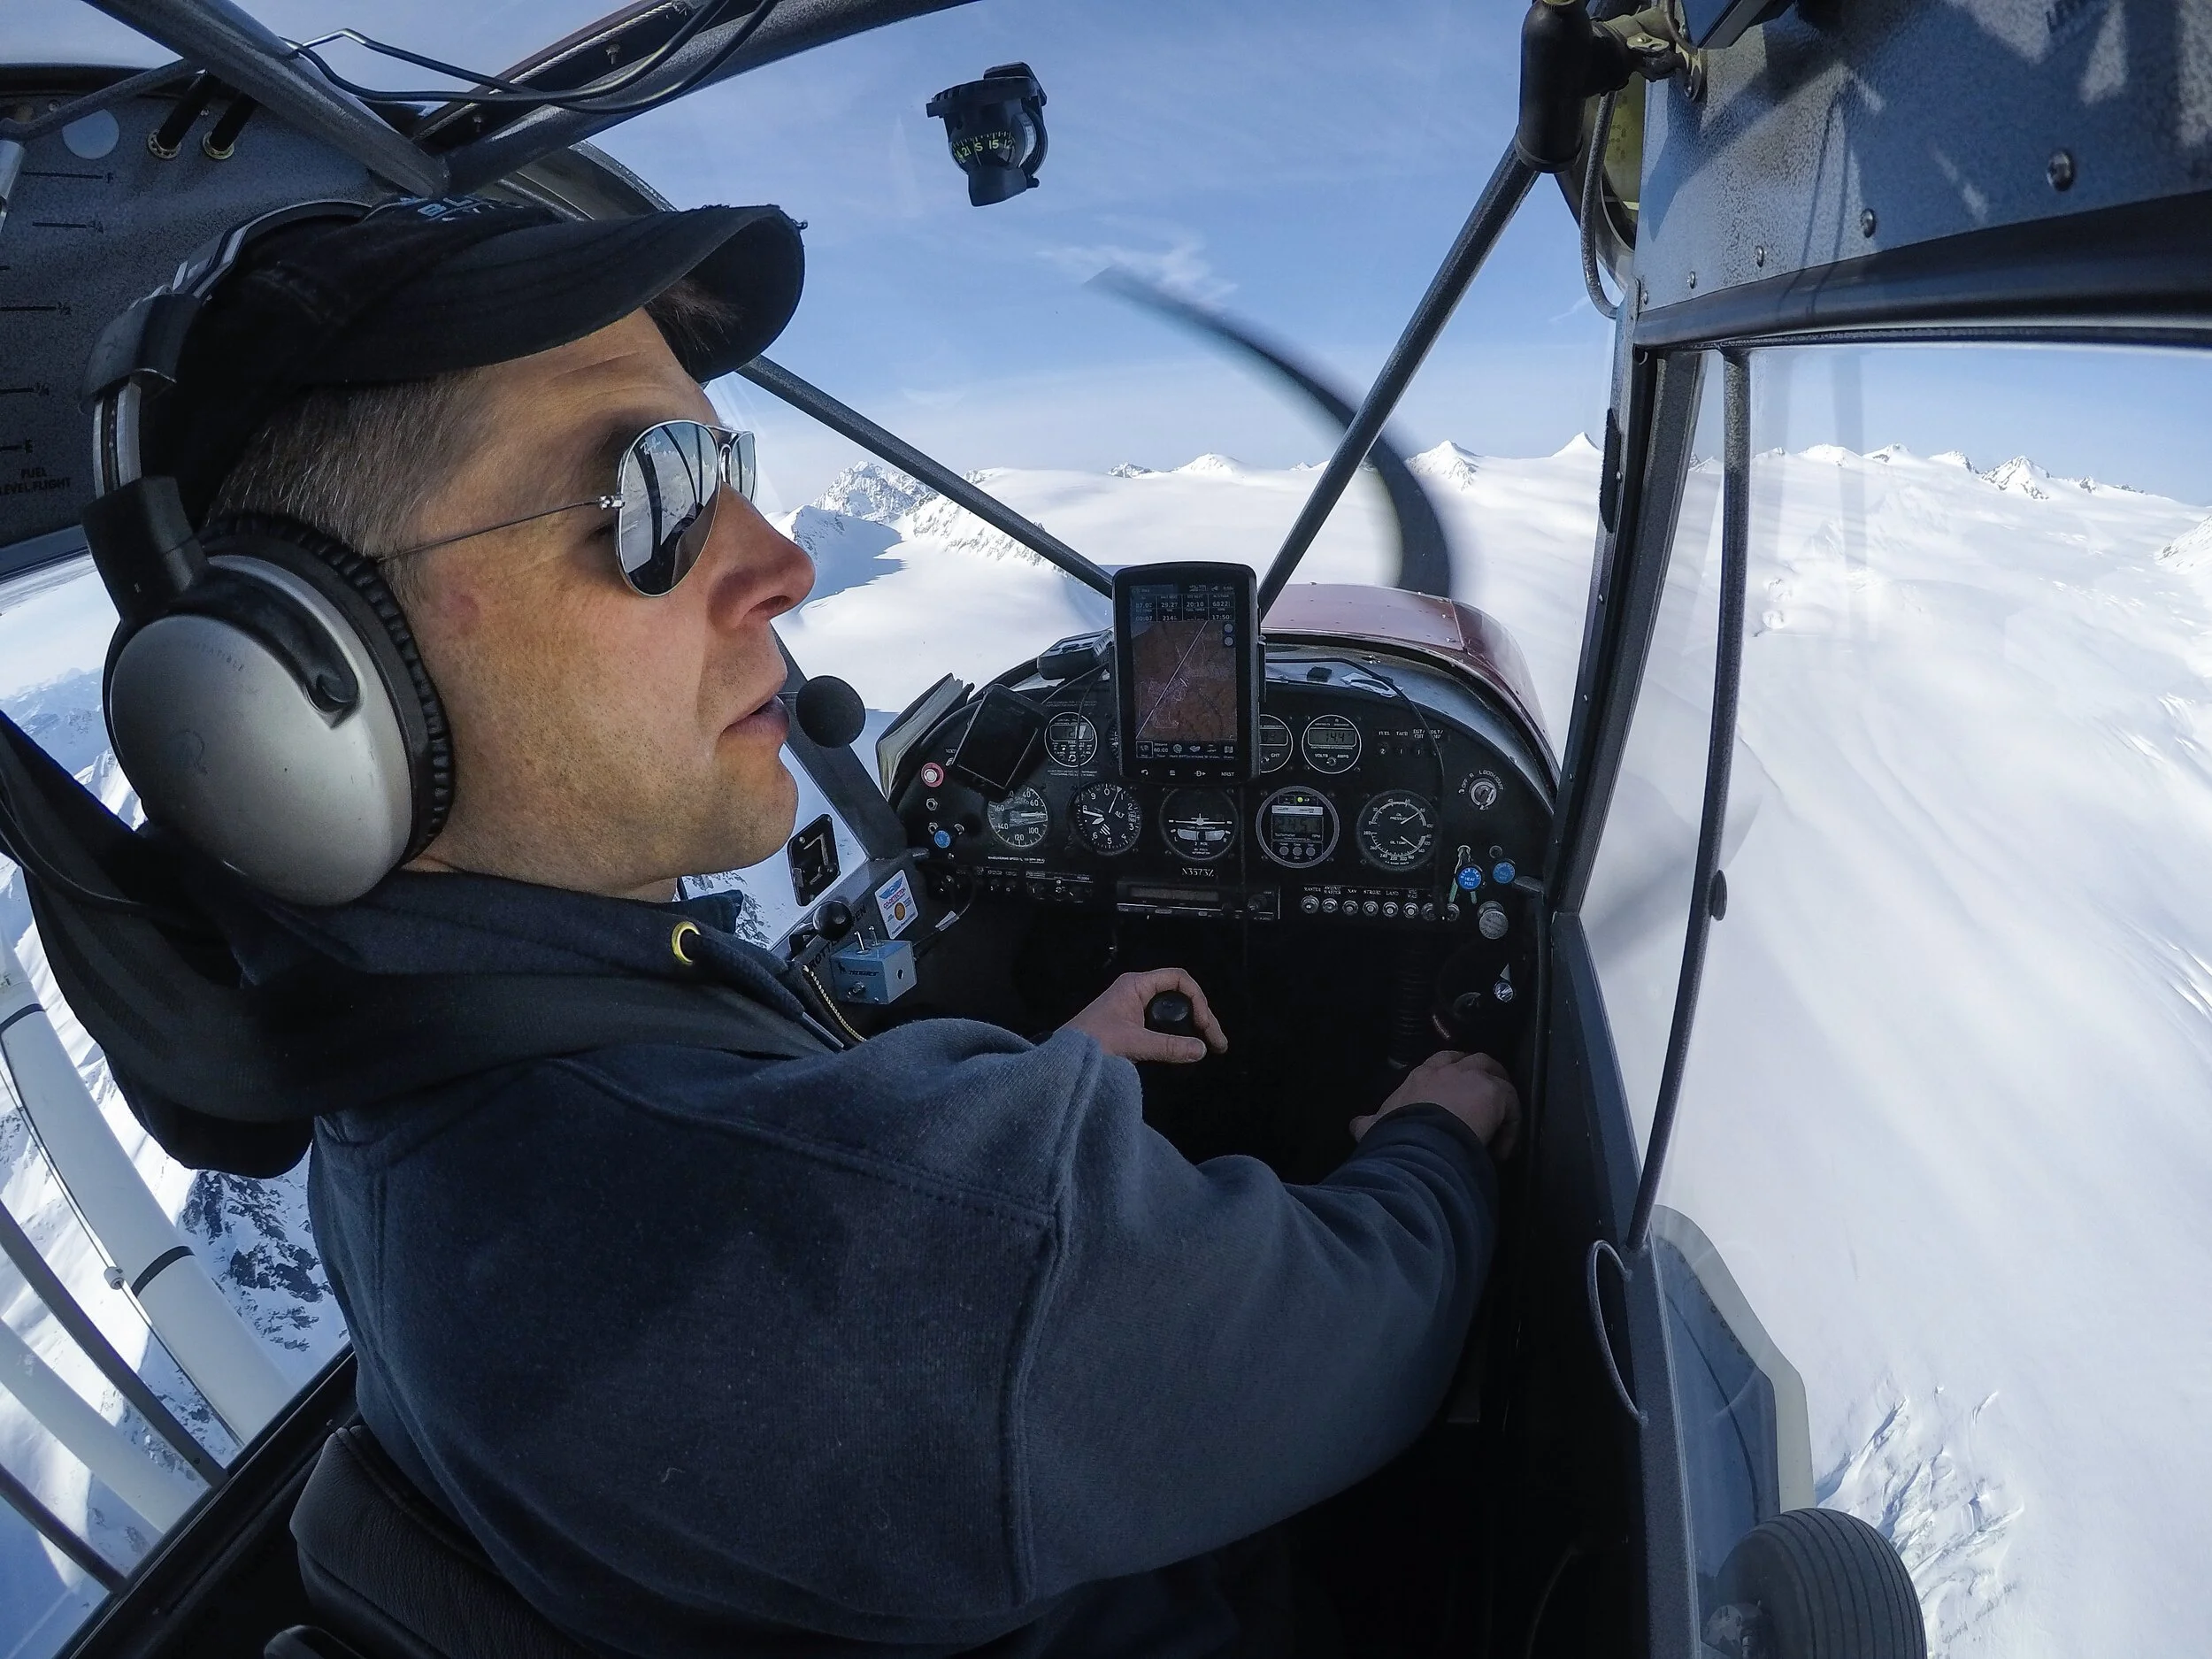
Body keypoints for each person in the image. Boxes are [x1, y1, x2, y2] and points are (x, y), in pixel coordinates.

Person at [146, 196, 1520, 1656]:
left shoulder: (411, 1084)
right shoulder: (878, 1238)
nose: (787, 563)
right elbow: (1376, 1330)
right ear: (318, 677)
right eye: (654, 493)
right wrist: (1438, 1133)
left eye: (727, 460)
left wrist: (1057, 1066)